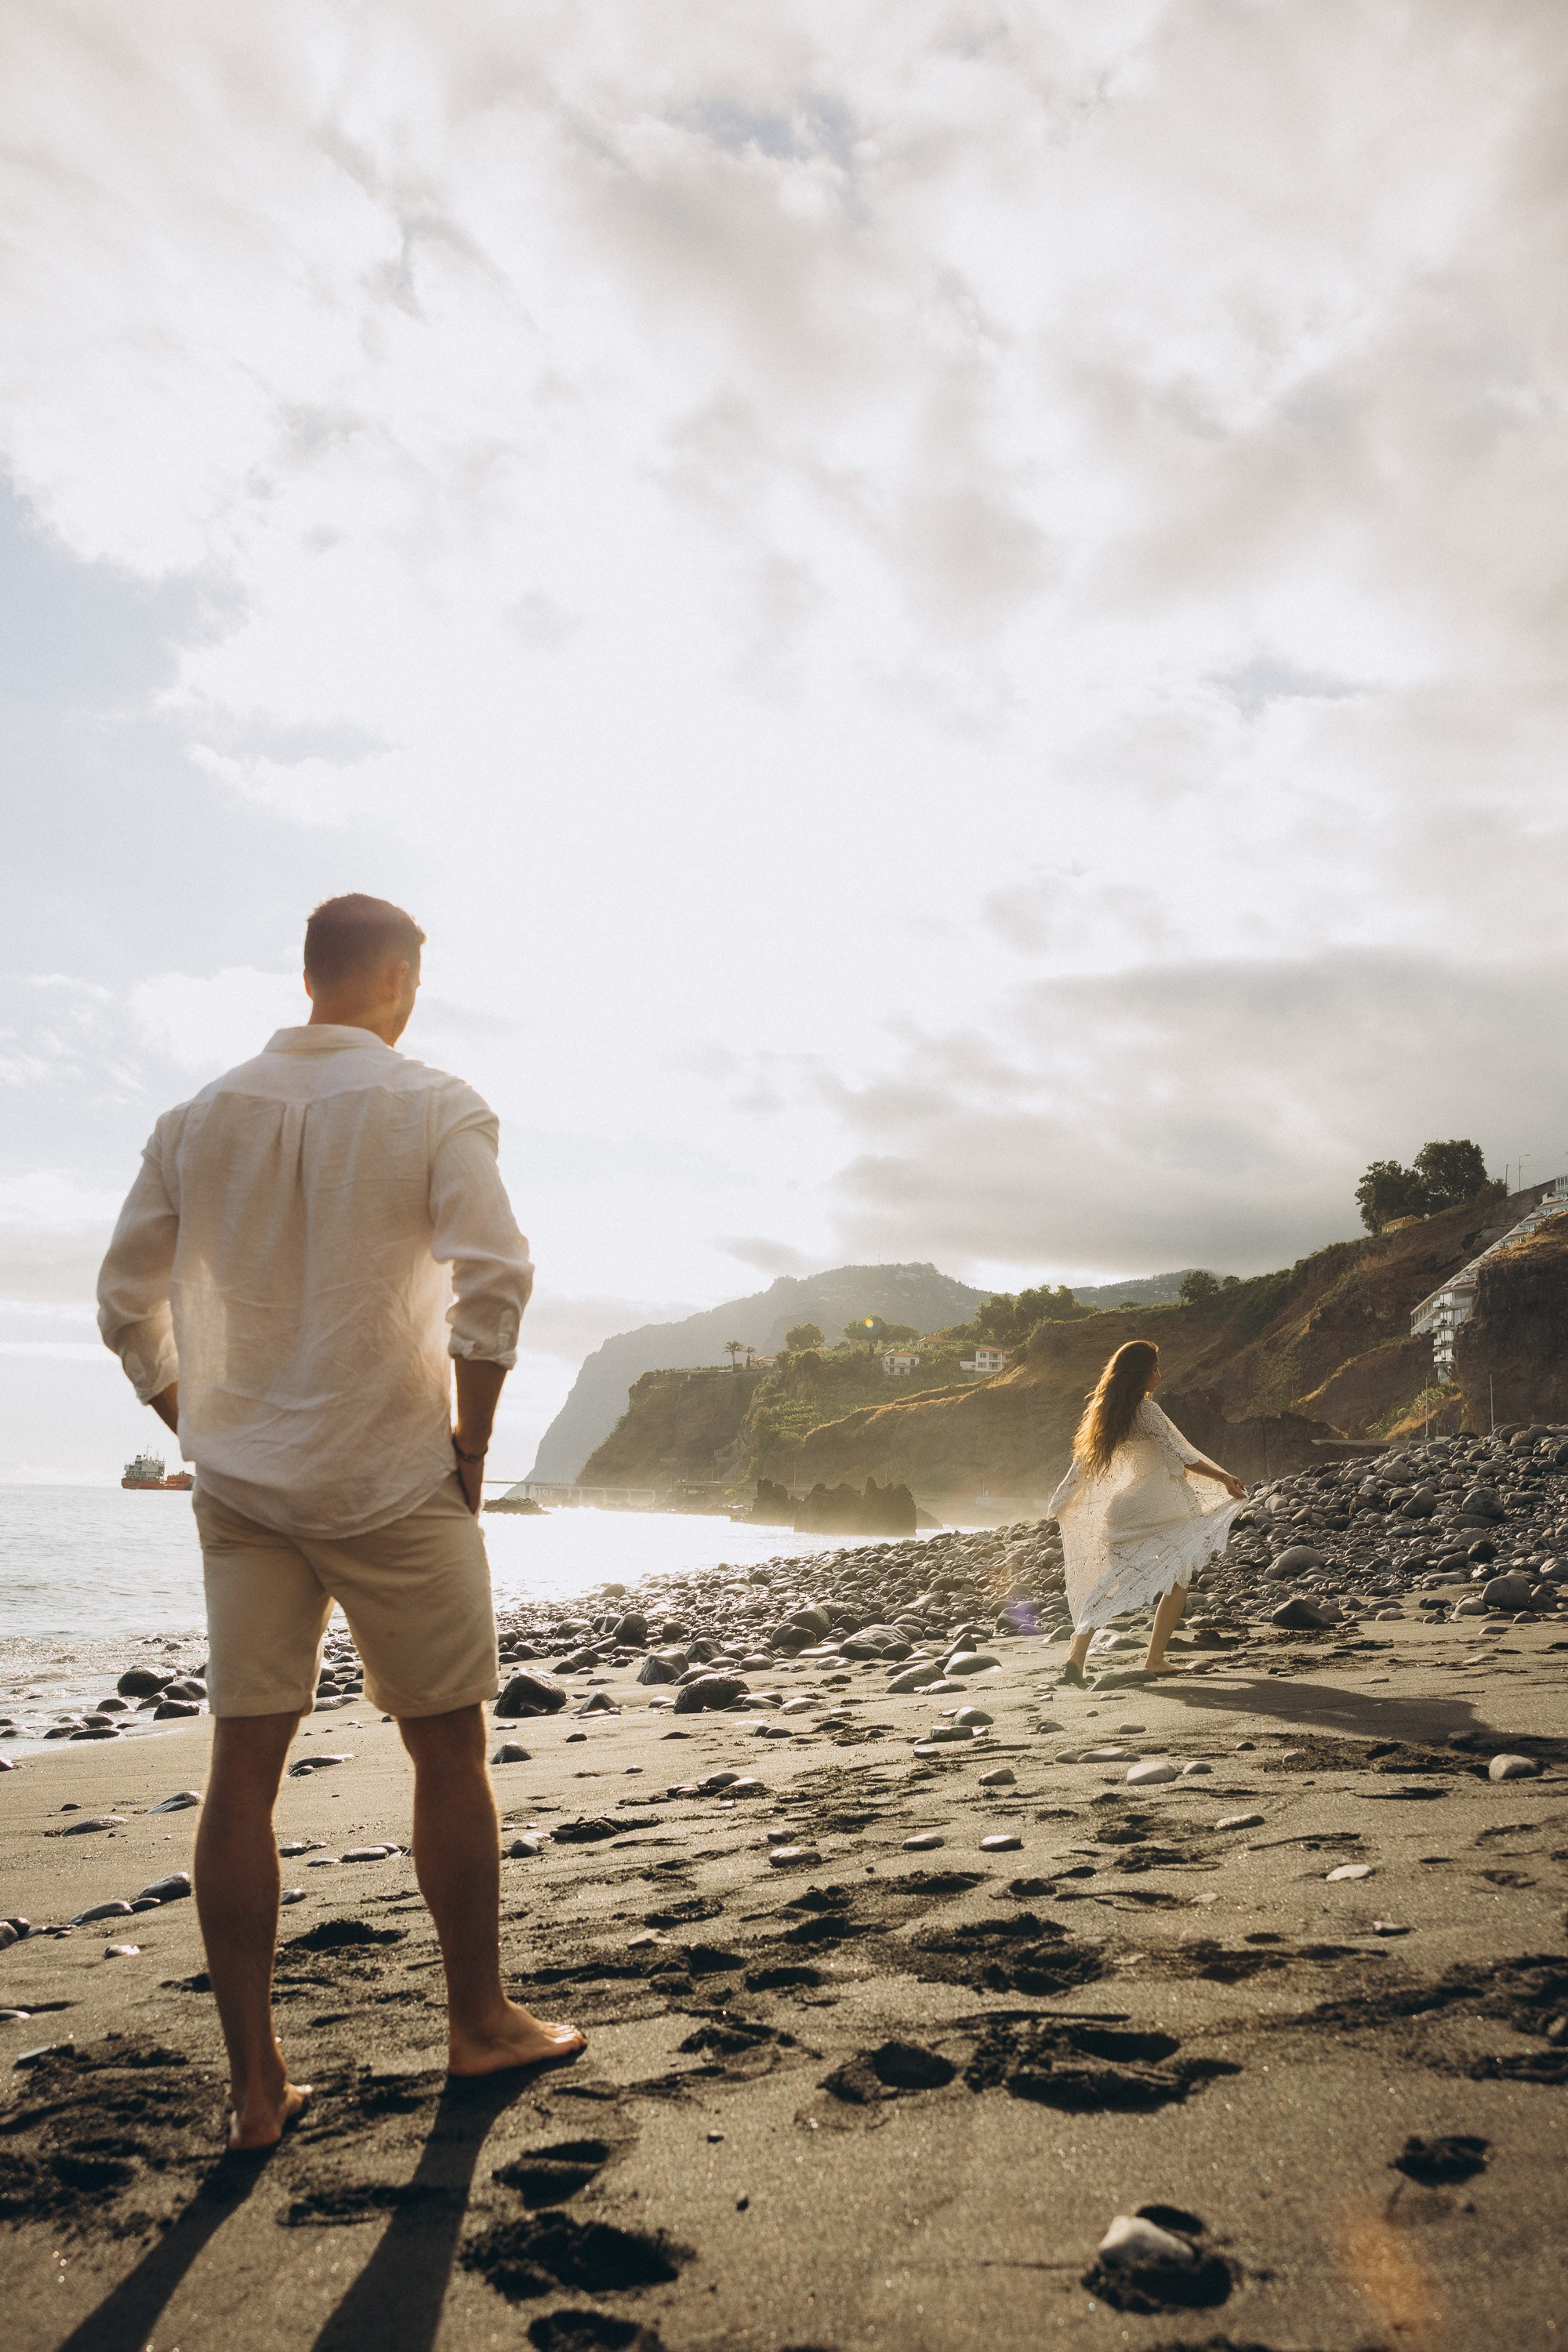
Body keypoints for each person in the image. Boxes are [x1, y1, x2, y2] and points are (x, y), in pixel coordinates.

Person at [97, 893, 584, 2150]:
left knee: (242, 1773)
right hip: (392, 1473)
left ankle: (255, 2087)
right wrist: (471, 1442)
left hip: (244, 1488)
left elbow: (121, 1303)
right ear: (400, 978)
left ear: (309, 975)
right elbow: (497, 1273)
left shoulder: (193, 1120)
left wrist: (196, 1419)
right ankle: (477, 2022)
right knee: (447, 1752)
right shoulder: (431, 1102)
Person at [1047, 1339, 1246, 1683]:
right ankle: (1154, 1658)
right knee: (1180, 1577)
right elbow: (1182, 1455)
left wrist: (1059, 1502)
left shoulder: (1103, 1417)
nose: (1159, 1375)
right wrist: (1224, 1477)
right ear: (1140, 1373)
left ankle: (1077, 1656)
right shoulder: (1147, 1412)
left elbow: (1080, 1469)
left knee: (1108, 1583)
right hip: (1161, 1508)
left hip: (1123, 1510)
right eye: (1154, 1368)